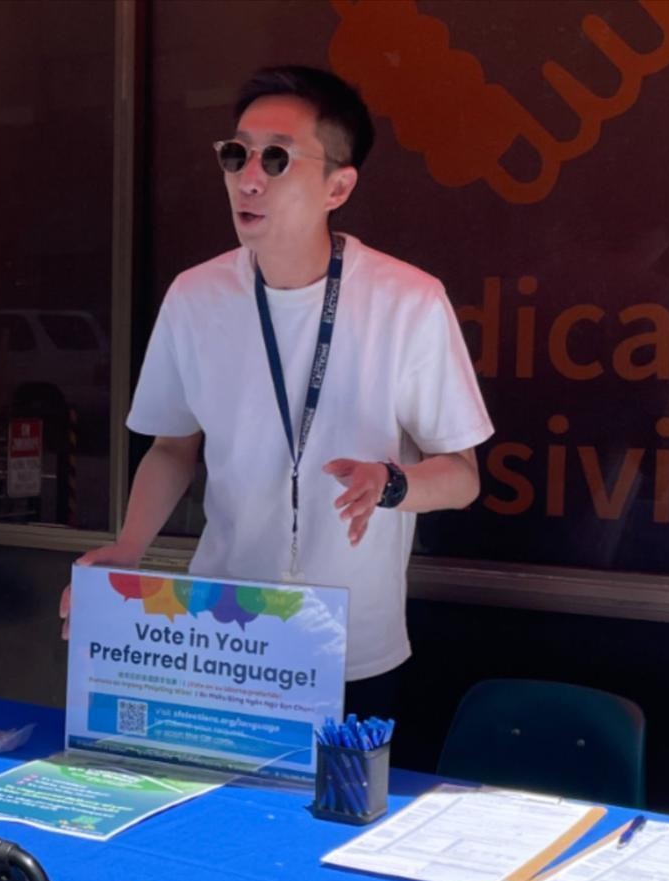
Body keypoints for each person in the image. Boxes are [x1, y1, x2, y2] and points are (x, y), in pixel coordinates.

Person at [64, 66, 493, 717]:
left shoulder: (407, 300)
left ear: (338, 185)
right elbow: (174, 448)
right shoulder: (196, 296)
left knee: (338, 817)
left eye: (277, 157)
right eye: (236, 155)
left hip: (350, 643)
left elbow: (462, 477)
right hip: (223, 635)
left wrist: (392, 483)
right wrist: (129, 546)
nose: (249, 176)